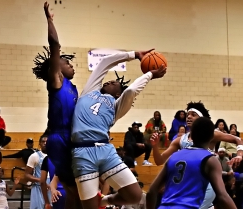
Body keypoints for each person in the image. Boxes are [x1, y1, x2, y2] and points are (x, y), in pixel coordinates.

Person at [71, 48, 166, 209]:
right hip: (82, 151)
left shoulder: (117, 106)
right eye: (108, 81)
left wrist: (150, 74)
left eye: (114, 83)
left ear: (117, 94)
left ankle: (105, 201)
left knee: (135, 195)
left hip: (106, 151)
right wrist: (134, 55)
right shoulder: (90, 90)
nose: (108, 82)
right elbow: (104, 63)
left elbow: (130, 91)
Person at [150, 101, 243, 209]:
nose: (189, 117)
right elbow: (159, 161)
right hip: (187, 184)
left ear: (201, 118)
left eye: (193, 114)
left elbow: (238, 139)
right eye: (187, 114)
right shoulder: (179, 140)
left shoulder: (210, 134)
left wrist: (239, 155)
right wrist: (155, 146)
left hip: (207, 182)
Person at [32, 2, 81, 208]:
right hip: (59, 138)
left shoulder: (72, 87)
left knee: (76, 191)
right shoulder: (56, 81)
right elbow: (54, 45)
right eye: (66, 62)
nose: (71, 64)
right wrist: (49, 21)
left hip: (69, 137)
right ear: (56, 66)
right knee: (75, 190)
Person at [24, 135, 47, 209]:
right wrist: (40, 180)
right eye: (43, 141)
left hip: (51, 187)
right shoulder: (34, 156)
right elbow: (26, 175)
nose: (45, 143)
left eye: (47, 142)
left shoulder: (55, 156)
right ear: (39, 143)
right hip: (38, 187)